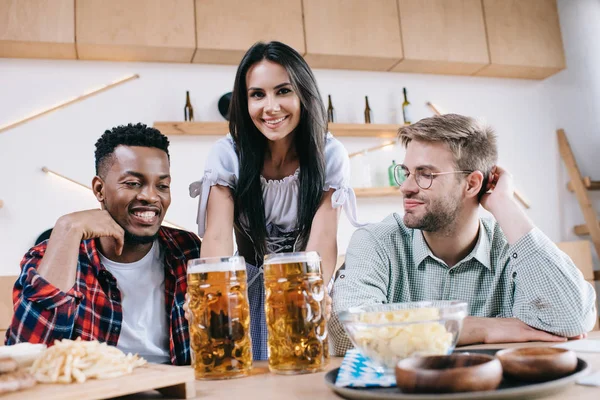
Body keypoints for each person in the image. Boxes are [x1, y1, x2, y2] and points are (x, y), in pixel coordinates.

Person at [329, 114, 597, 356]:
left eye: (425, 175)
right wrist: (477, 328)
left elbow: (572, 321)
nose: (406, 188)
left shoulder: (512, 248)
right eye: (407, 173)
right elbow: (344, 332)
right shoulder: (376, 241)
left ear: (472, 184)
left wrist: (504, 205)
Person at [189, 41, 362, 359]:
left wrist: (312, 293)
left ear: (303, 94)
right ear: (245, 100)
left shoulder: (329, 154)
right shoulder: (229, 154)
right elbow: (216, 237)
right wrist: (215, 293)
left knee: (304, 375)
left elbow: (323, 237)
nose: (270, 107)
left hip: (306, 285)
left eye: (283, 91)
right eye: (258, 94)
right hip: (249, 285)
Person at [6, 123, 201, 365]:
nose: (151, 197)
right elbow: (27, 359)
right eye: (133, 183)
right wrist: (67, 227)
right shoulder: (47, 257)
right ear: (99, 189)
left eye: (162, 186)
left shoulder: (188, 251)